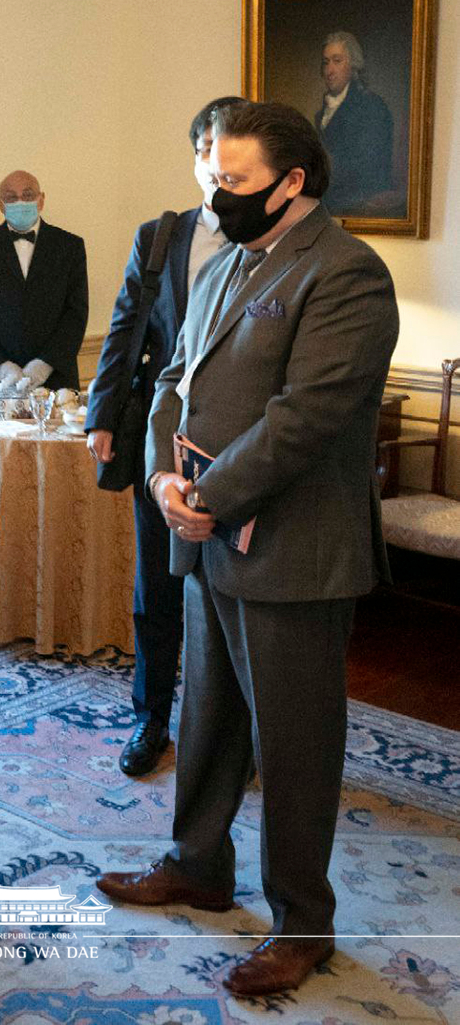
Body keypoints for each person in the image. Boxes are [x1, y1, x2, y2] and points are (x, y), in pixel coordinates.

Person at [97, 102, 399, 996]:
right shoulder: (231, 260)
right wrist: (162, 482)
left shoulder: (347, 273)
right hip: (201, 532)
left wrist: (210, 496)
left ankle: (302, 923)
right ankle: (197, 863)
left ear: (292, 181)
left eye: (232, 182)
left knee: (295, 741)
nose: (213, 197)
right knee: (207, 716)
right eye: (208, 179)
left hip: (292, 552)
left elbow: (305, 418)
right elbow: (172, 380)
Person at [85, 96, 245, 777]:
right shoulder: (161, 237)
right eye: (207, 149)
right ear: (195, 159)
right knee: (156, 588)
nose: (217, 164)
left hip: (243, 444)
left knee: (234, 593)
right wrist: (101, 413)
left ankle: (238, 736)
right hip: (163, 438)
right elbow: (126, 325)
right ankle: (150, 720)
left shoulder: (271, 242)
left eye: (231, 151)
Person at [0, 169, 88, 391]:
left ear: (41, 199)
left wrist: (45, 364)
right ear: (0, 203)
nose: (20, 202)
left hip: (56, 380)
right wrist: (1, 366)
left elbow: (76, 314)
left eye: (28, 195)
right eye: (11, 197)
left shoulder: (70, 246)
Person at [316, 30, 394, 215]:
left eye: (337, 61)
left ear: (353, 65)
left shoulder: (371, 107)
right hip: (329, 203)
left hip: (358, 203)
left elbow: (368, 165)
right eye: (326, 62)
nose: (329, 70)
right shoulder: (322, 113)